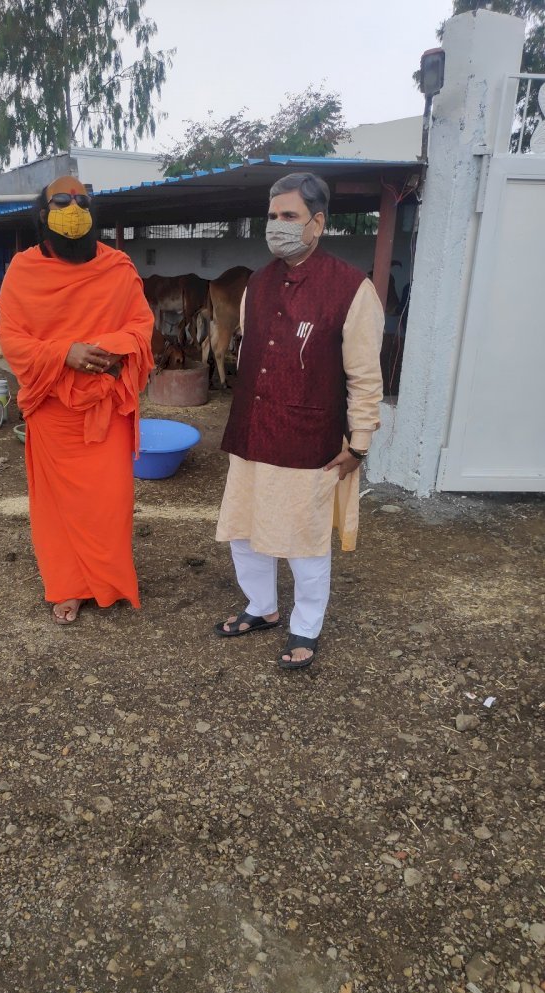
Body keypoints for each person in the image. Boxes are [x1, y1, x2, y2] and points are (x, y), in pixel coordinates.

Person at [214, 172, 384, 669]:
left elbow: (364, 376)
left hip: (310, 435)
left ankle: (305, 626)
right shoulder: (256, 284)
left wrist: (359, 443)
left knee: (304, 539)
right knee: (245, 530)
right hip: (252, 429)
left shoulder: (352, 288)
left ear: (318, 223)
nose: (277, 226)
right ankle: (262, 608)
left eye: (288, 216)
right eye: (271, 216)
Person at [0, 175, 154, 624]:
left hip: (105, 405)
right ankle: (68, 585)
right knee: (58, 505)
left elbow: (140, 327)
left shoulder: (117, 267)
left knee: (111, 501)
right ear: (43, 214)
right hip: (53, 409)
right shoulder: (24, 271)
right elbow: (11, 338)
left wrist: (106, 350)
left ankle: (106, 580)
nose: (73, 207)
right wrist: (65, 352)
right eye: (61, 201)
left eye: (82, 201)